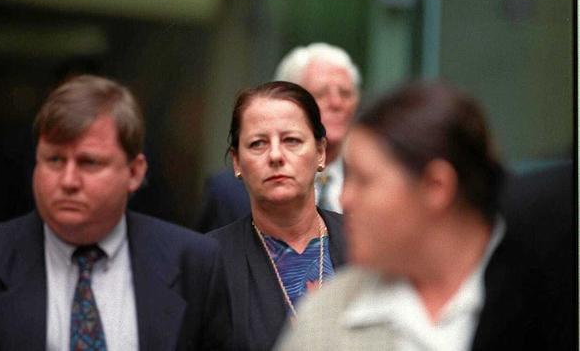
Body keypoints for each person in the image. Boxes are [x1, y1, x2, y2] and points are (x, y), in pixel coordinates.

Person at [0, 75, 232, 351]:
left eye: (89, 163)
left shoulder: (195, 264)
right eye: (53, 160)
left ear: (134, 172)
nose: (67, 181)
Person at [276, 81, 572, 350]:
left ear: (436, 186)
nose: (345, 198)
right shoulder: (327, 318)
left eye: (364, 180)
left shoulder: (553, 297)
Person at [208, 81, 348, 351]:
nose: (275, 155)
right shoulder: (207, 261)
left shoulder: (367, 246)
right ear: (237, 162)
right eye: (258, 143)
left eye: (291, 140)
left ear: (321, 152)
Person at [196, 43, 360, 232]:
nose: (337, 103)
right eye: (321, 93)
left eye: (346, 93)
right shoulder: (228, 193)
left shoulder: (375, 182)